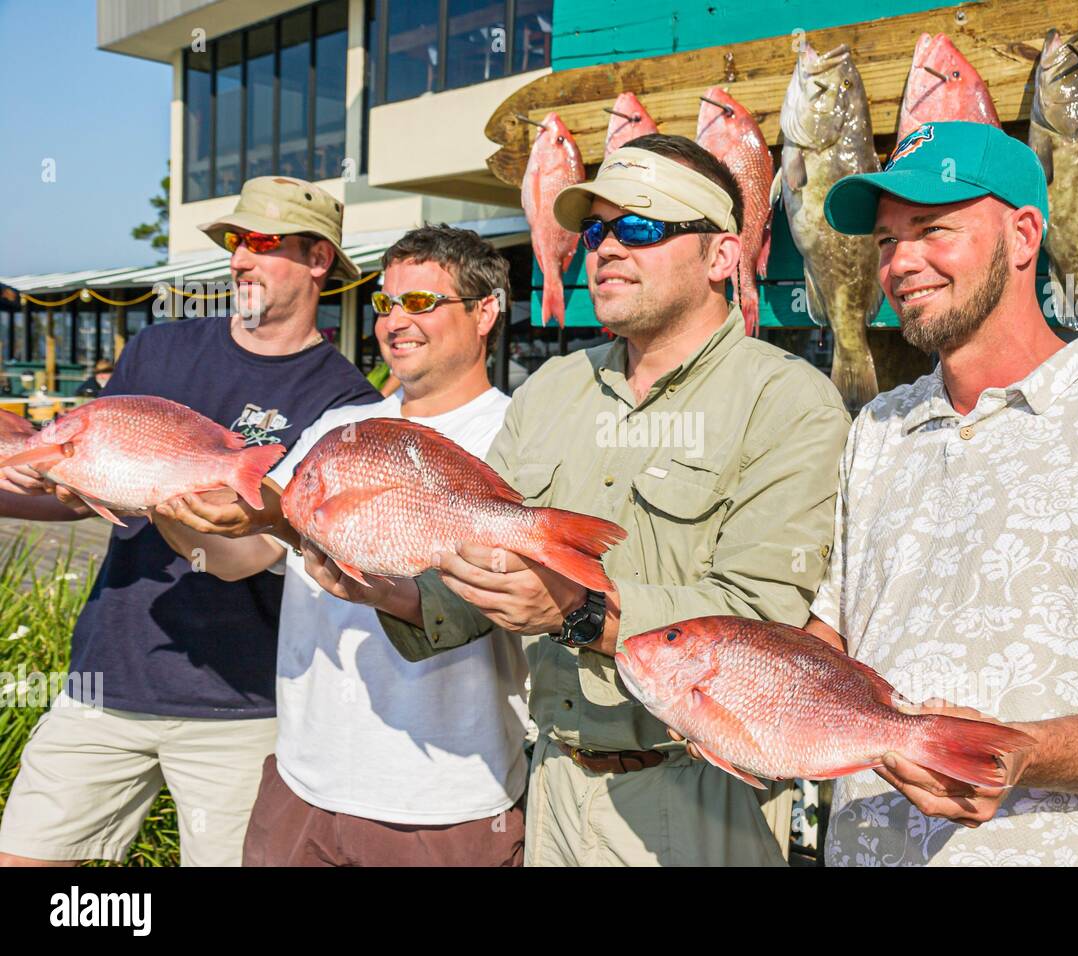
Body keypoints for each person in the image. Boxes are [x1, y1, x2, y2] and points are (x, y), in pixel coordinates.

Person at [328, 135, 851, 866]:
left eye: (639, 227)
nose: (605, 248)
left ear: (723, 257)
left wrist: (577, 612)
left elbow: (767, 621)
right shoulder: (552, 389)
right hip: (554, 785)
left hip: (700, 794)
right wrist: (387, 590)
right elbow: (481, 572)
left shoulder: (789, 400)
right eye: (597, 230)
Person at [802, 120, 1078, 866]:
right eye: (886, 241)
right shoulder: (880, 426)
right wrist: (720, 676)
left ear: (1022, 235)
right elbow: (841, 637)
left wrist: (1014, 754)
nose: (900, 263)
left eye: (931, 228)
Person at [0, 176, 377, 867]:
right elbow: (80, 492)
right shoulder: (158, 349)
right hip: (104, 681)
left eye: (263, 243)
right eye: (237, 241)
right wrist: (31, 470)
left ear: (319, 258)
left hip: (239, 704)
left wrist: (177, 511)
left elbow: (251, 554)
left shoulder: (347, 402)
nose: (239, 260)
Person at [151, 225, 529, 866]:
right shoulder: (336, 427)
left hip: (444, 801)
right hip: (303, 782)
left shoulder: (518, 433)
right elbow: (243, 557)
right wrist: (170, 502)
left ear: (485, 309)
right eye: (386, 304)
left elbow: (524, 604)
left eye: (420, 303)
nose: (394, 323)